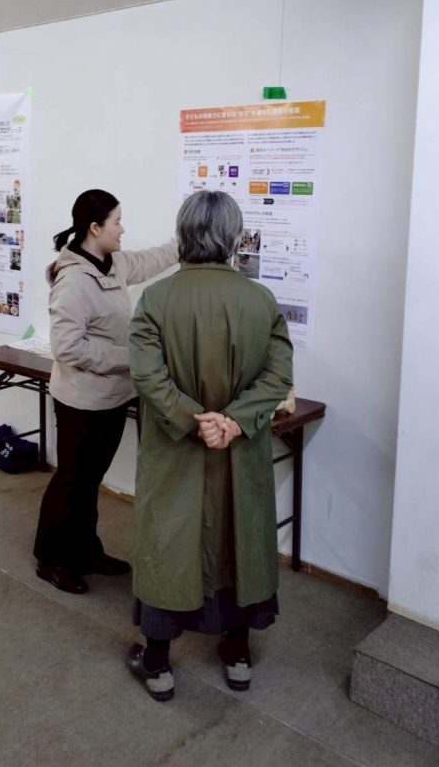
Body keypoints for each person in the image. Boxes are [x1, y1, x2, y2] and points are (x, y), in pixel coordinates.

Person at [126, 190, 293, 702]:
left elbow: (146, 376)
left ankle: (158, 663)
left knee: (167, 542)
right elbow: (278, 377)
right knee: (239, 540)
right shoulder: (261, 301)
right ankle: (238, 655)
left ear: (183, 234)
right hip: (239, 452)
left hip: (176, 450)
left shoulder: (156, 299)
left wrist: (191, 419)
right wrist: (232, 423)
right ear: (234, 237)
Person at [33, 189, 178, 595]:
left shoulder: (113, 263)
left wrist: (183, 242)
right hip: (81, 402)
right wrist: (131, 357)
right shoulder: (73, 282)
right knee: (72, 480)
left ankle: (85, 551)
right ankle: (51, 558)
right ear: (95, 228)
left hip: (113, 396)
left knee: (89, 478)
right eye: (116, 221)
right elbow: (67, 347)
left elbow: (149, 260)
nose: (122, 228)